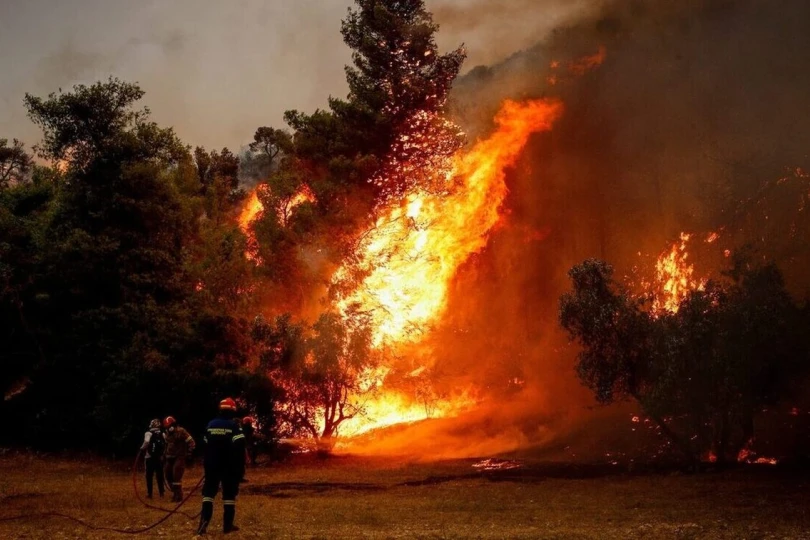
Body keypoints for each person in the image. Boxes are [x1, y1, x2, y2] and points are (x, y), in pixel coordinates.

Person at [196, 397, 245, 535]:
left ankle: (202, 526)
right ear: (233, 410)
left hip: (211, 465)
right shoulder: (234, 426)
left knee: (208, 494)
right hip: (229, 467)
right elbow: (240, 447)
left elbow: (204, 444)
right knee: (229, 495)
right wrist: (240, 469)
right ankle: (227, 526)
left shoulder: (211, 424)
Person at [163, 415, 195, 502]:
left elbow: (191, 442)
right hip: (169, 457)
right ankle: (175, 493)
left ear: (173, 425)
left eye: (169, 426)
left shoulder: (181, 431)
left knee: (176, 476)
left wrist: (189, 453)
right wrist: (164, 455)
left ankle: (178, 496)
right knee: (168, 476)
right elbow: (167, 445)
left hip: (179, 457)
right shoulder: (167, 434)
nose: (168, 428)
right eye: (166, 427)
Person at [140, 419, 165, 499]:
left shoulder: (148, 433)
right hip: (159, 458)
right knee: (160, 475)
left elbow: (146, 442)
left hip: (149, 457)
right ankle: (161, 493)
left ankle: (150, 494)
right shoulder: (162, 434)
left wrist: (142, 448)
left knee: (149, 476)